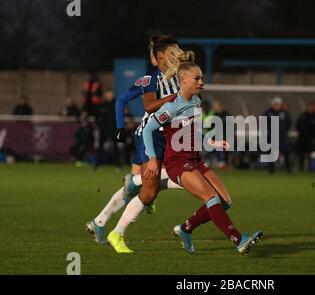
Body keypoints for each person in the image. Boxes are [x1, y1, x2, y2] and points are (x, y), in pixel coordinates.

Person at [141, 52, 262, 254]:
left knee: (225, 201)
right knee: (211, 198)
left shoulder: (196, 102)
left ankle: (185, 229)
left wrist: (212, 141)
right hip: (177, 162)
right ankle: (239, 240)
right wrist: (153, 160)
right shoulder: (171, 107)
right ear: (183, 80)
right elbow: (147, 130)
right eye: (197, 78)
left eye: (202, 78)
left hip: (195, 159)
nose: (201, 82)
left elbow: (196, 132)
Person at [86, 35, 183, 245]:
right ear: (157, 58)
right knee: (153, 186)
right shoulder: (151, 78)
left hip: (161, 135)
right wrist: (120, 127)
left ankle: (99, 221)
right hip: (151, 135)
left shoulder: (176, 76)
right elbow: (125, 101)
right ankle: (112, 220)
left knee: (144, 189)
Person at [94, 89, 122, 169]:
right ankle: (97, 165)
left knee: (115, 148)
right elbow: (96, 116)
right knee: (100, 148)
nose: (109, 96)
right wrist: (100, 125)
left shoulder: (117, 104)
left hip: (114, 129)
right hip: (104, 130)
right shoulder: (102, 104)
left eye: (110, 94)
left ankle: (118, 165)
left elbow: (120, 116)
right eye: (107, 94)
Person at [262, 97, 292, 174]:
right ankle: (271, 170)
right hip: (272, 136)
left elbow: (289, 122)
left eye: (278, 104)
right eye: (275, 104)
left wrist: (284, 130)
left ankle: (289, 169)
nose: (276, 106)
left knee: (286, 152)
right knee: (271, 153)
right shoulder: (268, 112)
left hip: (282, 137)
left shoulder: (284, 113)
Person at [296, 103, 315, 171]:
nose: (311, 108)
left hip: (311, 139)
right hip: (302, 138)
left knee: (310, 154)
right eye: (310, 107)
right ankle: (301, 167)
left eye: (312, 107)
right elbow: (298, 126)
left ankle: (310, 167)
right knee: (301, 153)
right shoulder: (303, 116)